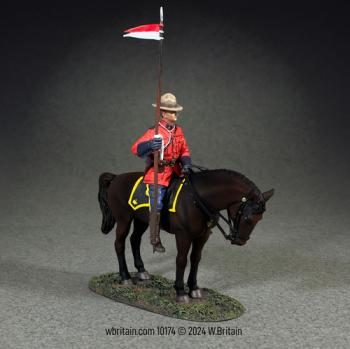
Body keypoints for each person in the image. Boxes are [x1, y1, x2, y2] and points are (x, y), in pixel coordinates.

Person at [131, 93, 192, 253]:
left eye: (176, 111)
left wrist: (186, 164)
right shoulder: (154, 131)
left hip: (176, 171)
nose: (175, 114)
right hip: (159, 173)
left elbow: (184, 150)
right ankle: (154, 237)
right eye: (172, 111)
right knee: (157, 202)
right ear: (163, 113)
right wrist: (151, 144)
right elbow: (136, 149)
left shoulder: (178, 131)